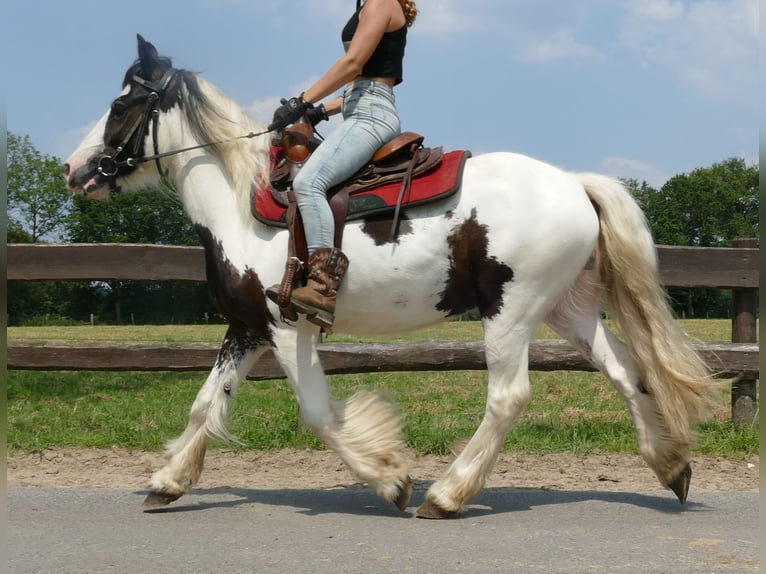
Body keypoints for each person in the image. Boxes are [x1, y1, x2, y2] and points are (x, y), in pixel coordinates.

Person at [268, 0, 418, 329]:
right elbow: (361, 83)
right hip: (360, 106)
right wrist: (321, 111)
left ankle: (322, 287)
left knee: (309, 183)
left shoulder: (381, 2)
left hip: (370, 115)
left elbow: (352, 64)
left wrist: (301, 101)